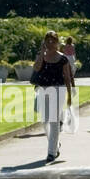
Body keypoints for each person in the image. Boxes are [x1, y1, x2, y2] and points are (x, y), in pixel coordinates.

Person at [32, 30, 74, 163]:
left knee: (54, 121)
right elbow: (36, 69)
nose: (50, 43)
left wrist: (69, 94)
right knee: (45, 121)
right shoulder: (41, 56)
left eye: (53, 41)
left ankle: (51, 153)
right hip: (43, 89)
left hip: (58, 89)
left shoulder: (63, 58)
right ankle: (55, 145)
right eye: (48, 40)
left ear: (57, 42)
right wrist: (41, 53)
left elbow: (67, 77)